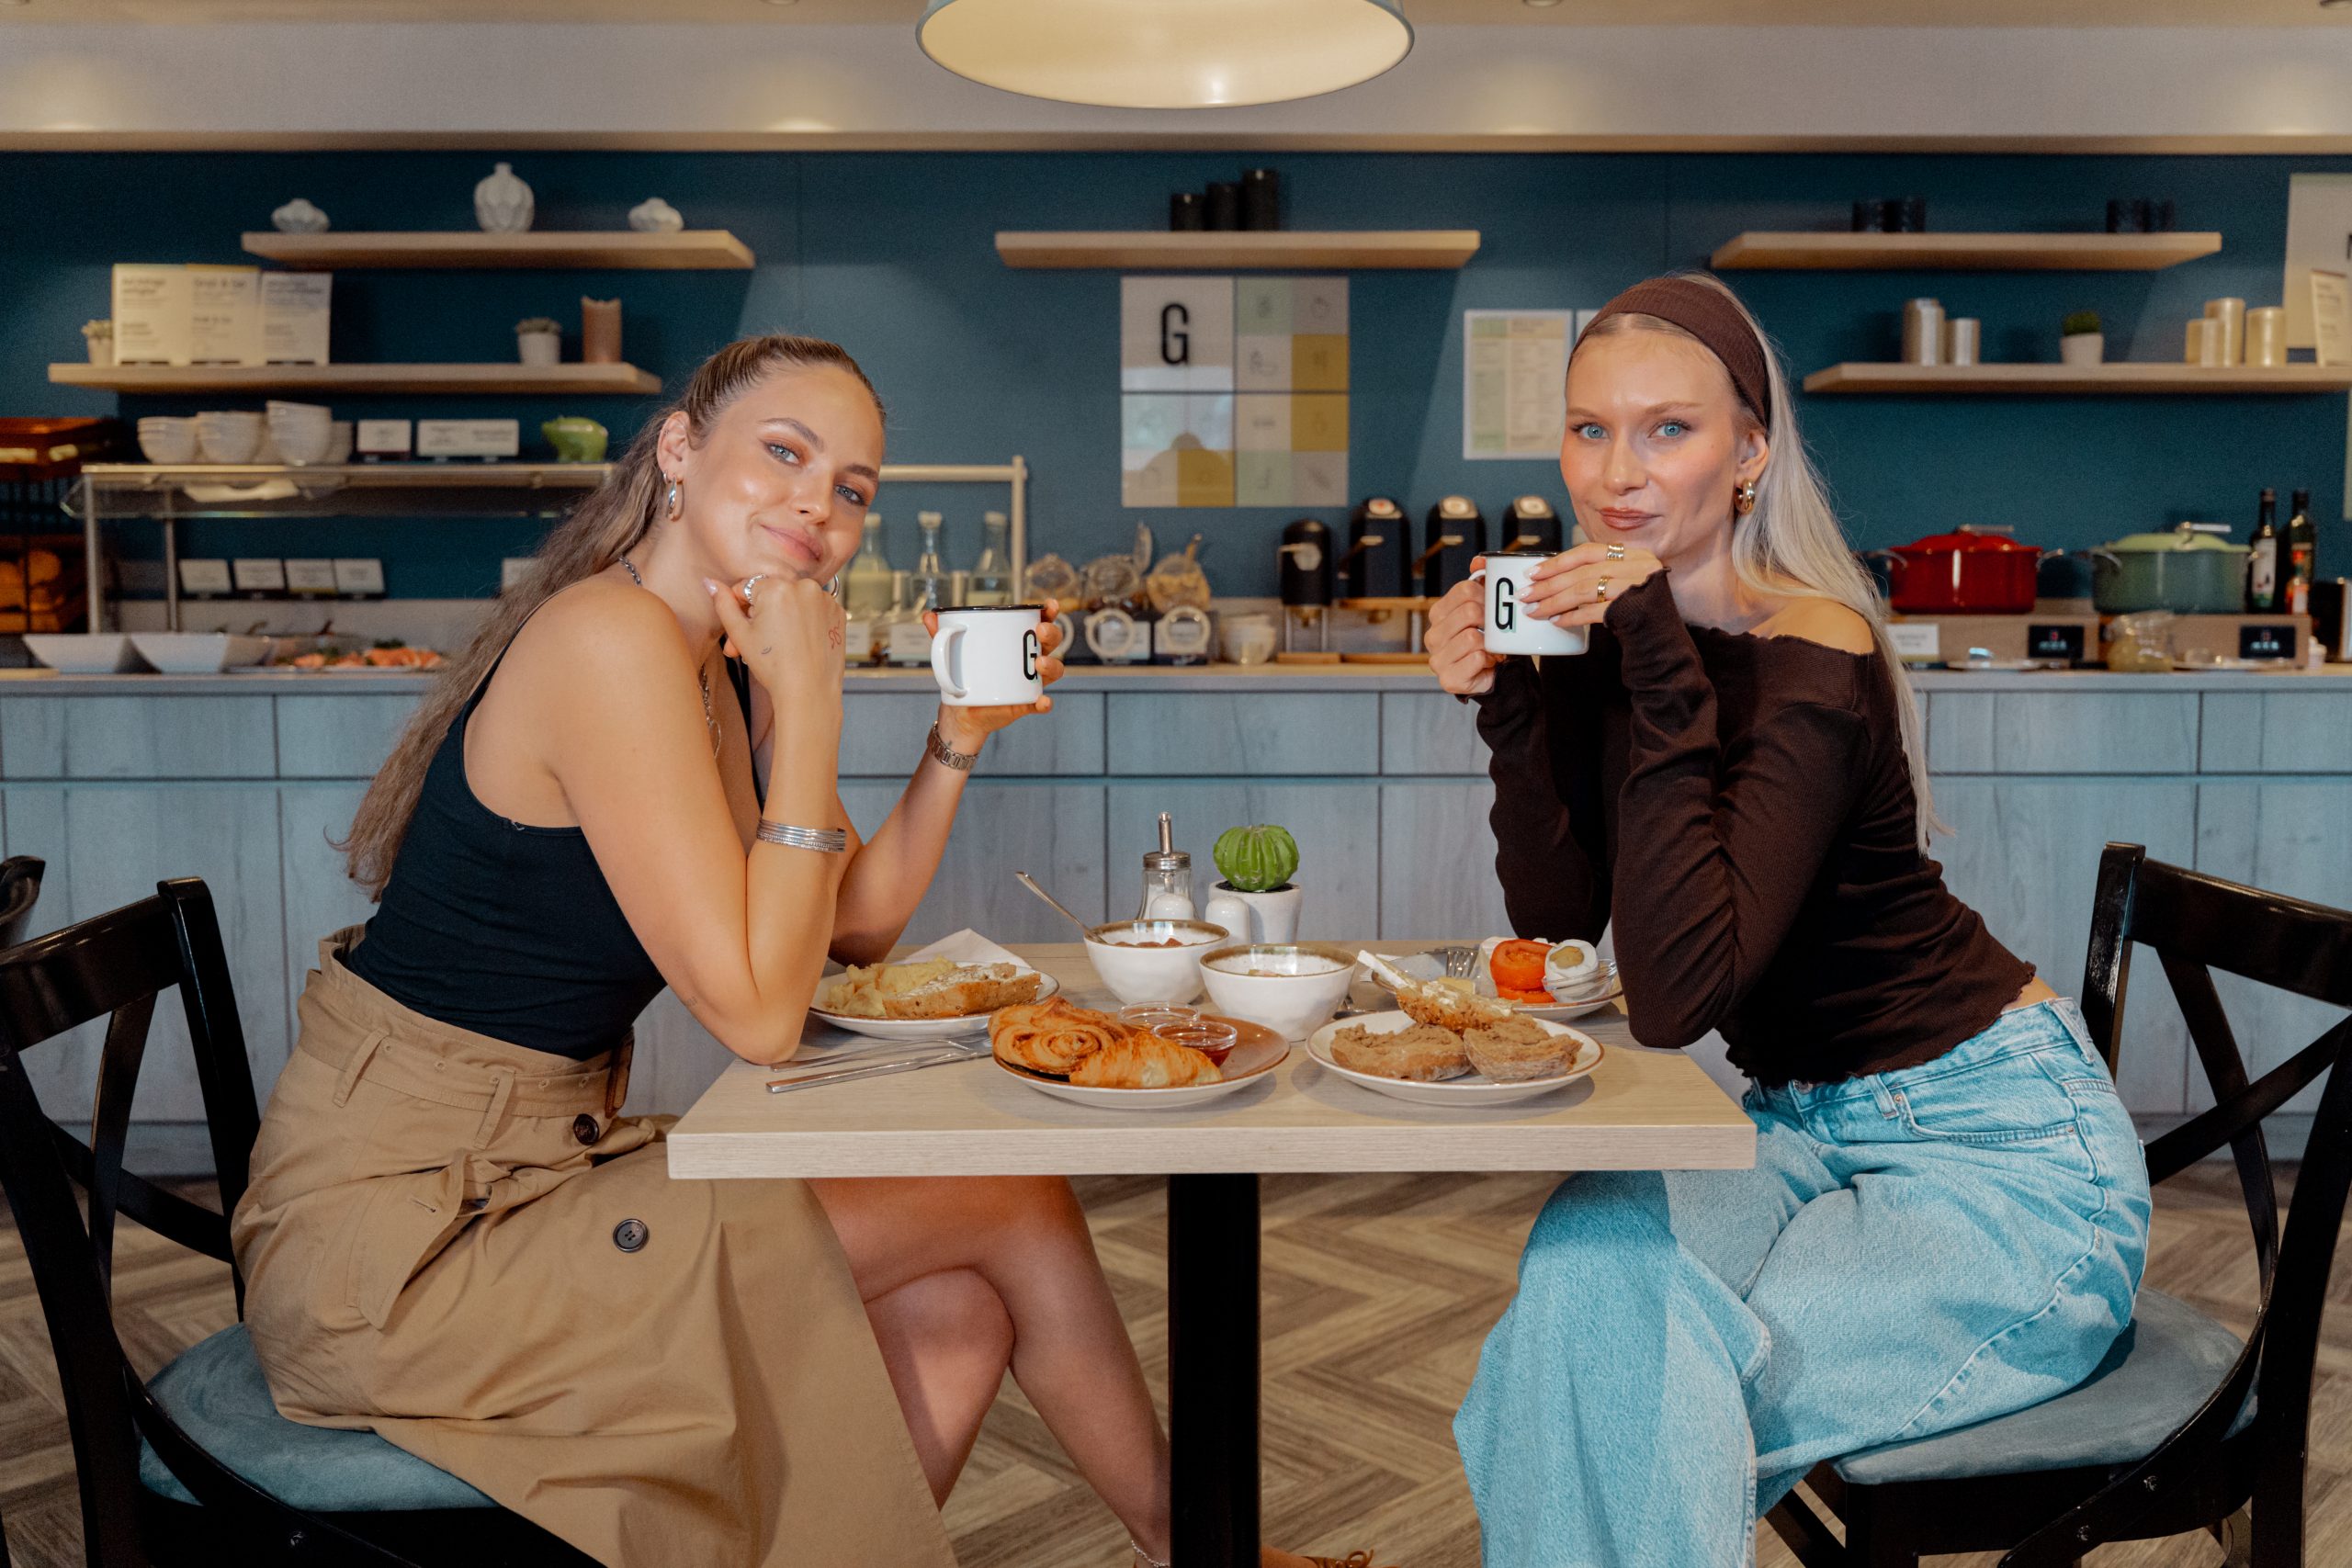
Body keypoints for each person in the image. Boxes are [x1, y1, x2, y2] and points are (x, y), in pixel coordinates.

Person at [233, 333, 1222, 1567]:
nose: (820, 501)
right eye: (786, 454)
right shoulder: (613, 643)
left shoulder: (702, 662)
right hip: (405, 1247)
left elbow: (850, 923)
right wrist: (806, 706)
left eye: (853, 488)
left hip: (531, 1167)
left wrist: (953, 738)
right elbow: (760, 1017)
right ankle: (1203, 1548)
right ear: (682, 453)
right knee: (1009, 1195)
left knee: (959, 1313)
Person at [1425, 276, 2151, 1567]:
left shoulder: (1817, 643)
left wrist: (1647, 652)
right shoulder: (1623, 646)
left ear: (1751, 449)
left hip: (2004, 1154)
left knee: (1619, 1388)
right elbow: (1559, 921)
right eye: (1590, 430)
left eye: (1668, 430)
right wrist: (1514, 704)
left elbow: (1673, 997)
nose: (1619, 473)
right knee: (1583, 1285)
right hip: (1792, 1132)